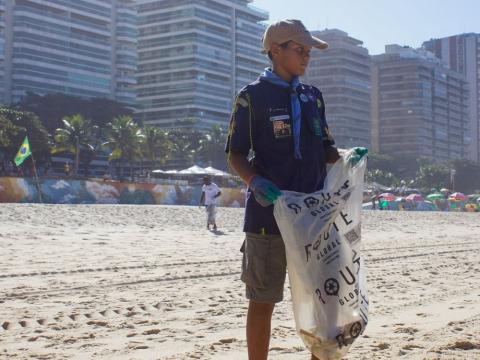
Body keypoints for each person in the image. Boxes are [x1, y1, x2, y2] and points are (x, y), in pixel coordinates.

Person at [225, 19, 367, 360]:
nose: (306, 57)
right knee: (263, 300)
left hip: (317, 216)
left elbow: (325, 149)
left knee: (328, 298)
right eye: (299, 50)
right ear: (276, 50)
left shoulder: (312, 97)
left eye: (308, 52)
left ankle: (322, 357)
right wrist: (255, 182)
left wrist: (346, 157)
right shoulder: (252, 97)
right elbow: (235, 153)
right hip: (268, 214)